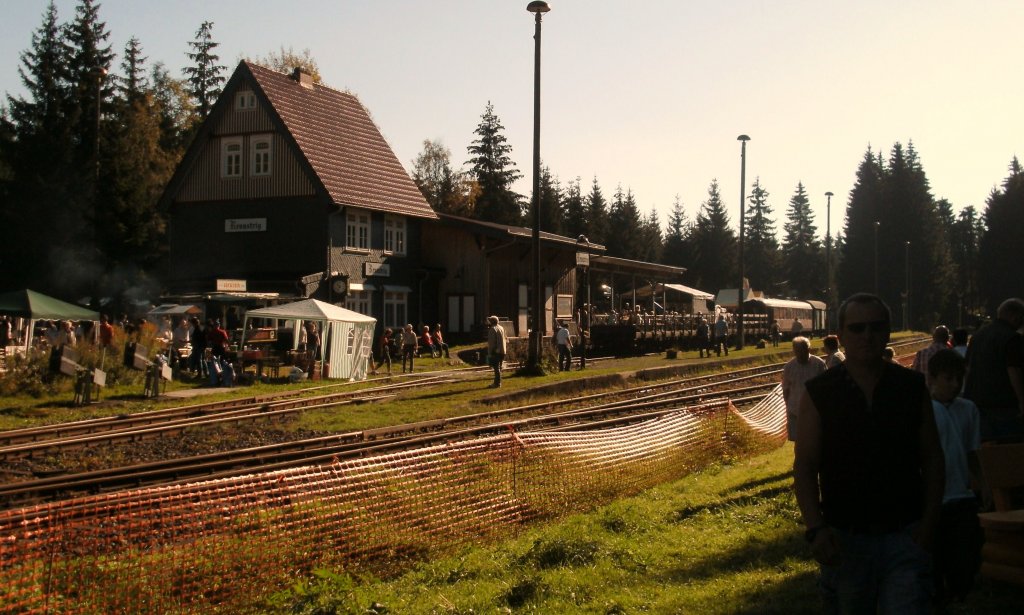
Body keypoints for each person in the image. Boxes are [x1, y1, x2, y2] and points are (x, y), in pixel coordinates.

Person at [794, 293, 944, 614]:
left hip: (906, 535)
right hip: (845, 538)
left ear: (888, 331)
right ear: (842, 335)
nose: (867, 336)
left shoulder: (912, 388)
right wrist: (816, 528)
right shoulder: (820, 393)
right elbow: (805, 465)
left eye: (876, 327)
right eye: (857, 328)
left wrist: (929, 523)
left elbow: (932, 457)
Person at [927, 349, 983, 607]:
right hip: (934, 498)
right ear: (933, 379)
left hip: (962, 493)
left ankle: (958, 591)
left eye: (959, 379)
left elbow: (973, 451)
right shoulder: (924, 411)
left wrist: (980, 483)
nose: (955, 384)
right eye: (948, 378)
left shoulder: (968, 409)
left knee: (964, 555)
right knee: (936, 555)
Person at [963, 297, 1024, 443]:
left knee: (986, 454)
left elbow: (967, 369)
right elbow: (1014, 371)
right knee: (1009, 453)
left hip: (978, 405)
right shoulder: (1012, 338)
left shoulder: (977, 337)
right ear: (1015, 316)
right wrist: (1022, 401)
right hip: (1006, 406)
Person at [781, 336, 826, 441]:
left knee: (814, 439)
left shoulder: (819, 364)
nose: (800, 354)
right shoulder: (789, 367)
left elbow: (825, 387)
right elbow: (786, 389)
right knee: (798, 442)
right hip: (795, 410)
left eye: (803, 351)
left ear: (808, 349)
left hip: (814, 410)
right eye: (797, 351)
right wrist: (788, 406)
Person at [485, 315, 507, 388]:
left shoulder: (492, 329)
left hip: (496, 351)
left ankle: (497, 383)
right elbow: (506, 338)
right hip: (503, 350)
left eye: (490, 321)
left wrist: (490, 352)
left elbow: (491, 343)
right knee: (499, 367)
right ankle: (497, 382)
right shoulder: (501, 328)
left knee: (496, 368)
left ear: (492, 322)